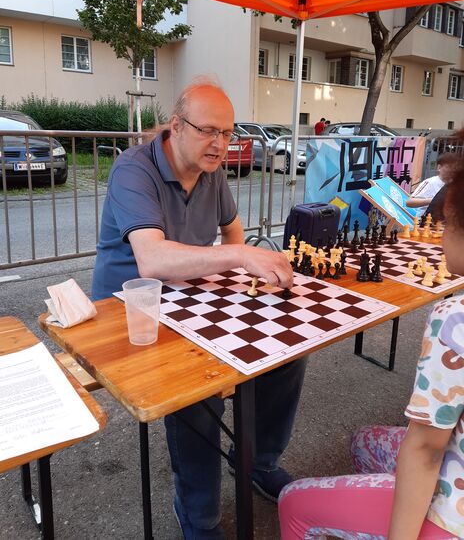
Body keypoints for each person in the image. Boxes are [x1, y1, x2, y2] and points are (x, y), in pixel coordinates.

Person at [92, 78, 308, 540]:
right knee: (201, 389)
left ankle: (256, 463)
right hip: (129, 311)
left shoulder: (211, 173)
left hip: (191, 298)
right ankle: (199, 516)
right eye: (208, 130)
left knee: (288, 351)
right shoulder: (133, 169)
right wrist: (241, 257)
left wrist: (240, 273)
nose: (220, 144)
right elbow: (152, 259)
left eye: (227, 133)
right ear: (176, 126)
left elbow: (232, 228)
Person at [278, 138, 464, 539]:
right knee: (363, 442)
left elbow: (426, 450)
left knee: (292, 501)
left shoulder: (455, 319)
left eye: (447, 224)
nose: (440, 234)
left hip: (452, 513)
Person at [406, 152, 458, 219]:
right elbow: (409, 202)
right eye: (449, 167)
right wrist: (432, 200)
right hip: (426, 222)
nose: (452, 170)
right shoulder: (430, 182)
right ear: (439, 167)